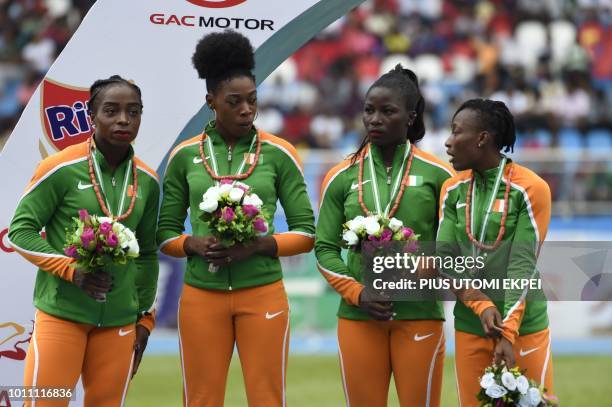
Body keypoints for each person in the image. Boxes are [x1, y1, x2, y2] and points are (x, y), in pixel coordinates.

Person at [156, 30, 315, 406]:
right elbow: (163, 233)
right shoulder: (184, 156)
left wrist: (258, 246)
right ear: (211, 101)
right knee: (200, 399)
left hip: (263, 294)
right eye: (234, 101)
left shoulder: (280, 153)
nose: (246, 109)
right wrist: (191, 244)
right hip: (200, 297)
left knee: (267, 399)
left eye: (252, 100)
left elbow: (307, 233)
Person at [9, 75, 159, 406]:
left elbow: (147, 254)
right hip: (62, 314)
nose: (124, 119)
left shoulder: (148, 180)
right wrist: (72, 270)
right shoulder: (60, 168)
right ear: (91, 116)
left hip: (119, 321)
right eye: (112, 110)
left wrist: (145, 317)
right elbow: (20, 231)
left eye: (133, 112)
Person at [314, 64, 455, 407]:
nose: (374, 119)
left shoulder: (440, 175)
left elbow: (452, 247)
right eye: (369, 110)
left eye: (387, 111)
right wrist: (358, 293)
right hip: (358, 316)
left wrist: (420, 272)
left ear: (410, 116)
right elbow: (324, 248)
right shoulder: (341, 175)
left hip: (420, 313)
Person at [438, 98, 553, 407]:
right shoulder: (452, 189)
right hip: (470, 324)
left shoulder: (530, 188)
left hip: (524, 327)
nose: (448, 142)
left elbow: (522, 264)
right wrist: (482, 306)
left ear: (482, 138)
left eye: (456, 131)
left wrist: (508, 334)